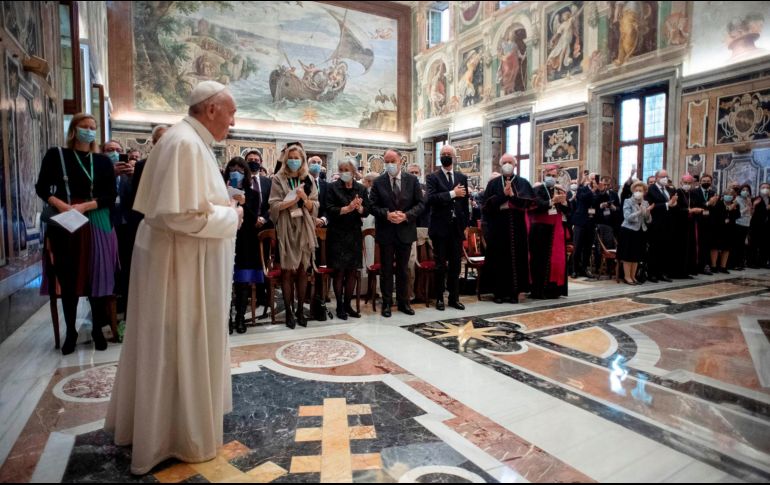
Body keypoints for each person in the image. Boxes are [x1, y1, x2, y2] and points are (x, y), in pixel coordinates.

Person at [106, 81, 243, 475]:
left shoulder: (187, 140)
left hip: (179, 261)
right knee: (179, 344)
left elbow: (188, 204)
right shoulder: (185, 143)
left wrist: (222, 204)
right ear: (212, 108)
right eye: (231, 113)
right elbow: (181, 216)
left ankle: (164, 427)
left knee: (172, 345)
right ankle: (176, 435)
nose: (233, 122)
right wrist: (230, 216)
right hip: (179, 268)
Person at [36, 113, 118, 355]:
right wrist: (63, 206)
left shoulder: (102, 161)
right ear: (74, 129)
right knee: (68, 275)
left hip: (95, 219)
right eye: (85, 127)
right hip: (66, 220)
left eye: (93, 127)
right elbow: (41, 187)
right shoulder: (56, 155)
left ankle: (96, 329)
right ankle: (70, 331)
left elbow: (110, 195)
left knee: (97, 275)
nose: (89, 131)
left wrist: (84, 207)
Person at [369, 149, 425, 317]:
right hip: (386, 231)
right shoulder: (379, 182)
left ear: (401, 161)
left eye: (392, 161)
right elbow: (372, 205)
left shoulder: (412, 180)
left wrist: (406, 215)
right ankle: (386, 303)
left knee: (404, 269)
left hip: (405, 230)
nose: (389, 165)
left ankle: (404, 302)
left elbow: (421, 204)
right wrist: (386, 214)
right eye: (387, 161)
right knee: (386, 269)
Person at [269, 144, 319, 328]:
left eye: (297, 158)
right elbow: (273, 206)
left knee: (302, 269)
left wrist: (304, 199)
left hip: (304, 227)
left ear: (302, 160)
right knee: (287, 270)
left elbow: (315, 206)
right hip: (286, 225)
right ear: (286, 160)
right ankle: (289, 311)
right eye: (291, 158)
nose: (294, 161)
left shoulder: (308, 179)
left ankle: (300, 310)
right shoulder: (277, 178)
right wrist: (290, 201)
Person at [482, 154, 535, 304]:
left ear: (515, 165)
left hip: (517, 227)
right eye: (504, 162)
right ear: (500, 165)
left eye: (509, 162)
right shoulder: (493, 184)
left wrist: (513, 196)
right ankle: (498, 293)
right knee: (498, 259)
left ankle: (514, 293)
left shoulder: (523, 182)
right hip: (498, 227)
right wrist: (503, 196)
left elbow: (529, 203)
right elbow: (486, 205)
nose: (507, 164)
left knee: (517, 259)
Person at [326, 159, 370, 320]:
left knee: (352, 271)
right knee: (339, 271)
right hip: (337, 233)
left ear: (353, 171)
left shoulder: (361, 188)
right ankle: (339, 306)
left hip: (354, 234)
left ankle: (348, 305)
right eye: (341, 169)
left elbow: (367, 211)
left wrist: (359, 208)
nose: (344, 172)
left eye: (347, 169)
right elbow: (329, 209)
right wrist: (348, 208)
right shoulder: (332, 187)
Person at [224, 157, 263, 335]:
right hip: (225, 240)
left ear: (245, 173)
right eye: (233, 168)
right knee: (225, 283)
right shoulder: (221, 191)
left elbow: (254, 219)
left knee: (242, 284)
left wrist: (244, 203)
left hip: (246, 242)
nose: (236, 172)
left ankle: (240, 318)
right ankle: (226, 319)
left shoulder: (253, 194)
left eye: (240, 169)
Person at [427, 145, 469, 310]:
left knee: (456, 265)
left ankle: (454, 297)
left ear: (454, 157)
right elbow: (431, 199)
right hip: (439, 227)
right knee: (440, 265)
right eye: (443, 154)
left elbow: (465, 204)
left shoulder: (461, 177)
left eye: (448, 154)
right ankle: (439, 298)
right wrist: (452, 193)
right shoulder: (433, 177)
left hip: (456, 228)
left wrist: (465, 224)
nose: (445, 156)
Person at [529, 164, 570, 299]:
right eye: (549, 175)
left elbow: (568, 210)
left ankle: (553, 290)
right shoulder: (537, 189)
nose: (551, 178)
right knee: (539, 260)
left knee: (556, 260)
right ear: (544, 175)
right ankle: (538, 290)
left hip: (555, 229)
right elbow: (536, 205)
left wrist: (564, 202)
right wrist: (552, 201)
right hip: (540, 228)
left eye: (554, 176)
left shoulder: (559, 190)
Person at [646, 169, 678, 282]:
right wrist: (667, 204)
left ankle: (662, 273)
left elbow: (670, 204)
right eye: (662, 176)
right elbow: (651, 206)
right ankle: (652, 274)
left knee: (665, 249)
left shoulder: (669, 189)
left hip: (667, 224)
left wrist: (673, 203)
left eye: (666, 176)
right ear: (657, 178)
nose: (665, 178)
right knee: (655, 249)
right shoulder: (651, 189)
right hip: (656, 224)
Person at [308, 156, 330, 321]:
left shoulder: (326, 185)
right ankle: (308, 295)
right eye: (313, 163)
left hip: (323, 229)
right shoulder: (302, 182)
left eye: (318, 163)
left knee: (322, 263)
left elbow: (329, 206)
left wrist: (323, 219)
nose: (316, 165)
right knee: (308, 264)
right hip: (306, 228)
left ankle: (320, 297)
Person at [618, 181, 653, 285]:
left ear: (644, 192)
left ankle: (633, 276)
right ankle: (627, 277)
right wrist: (639, 212)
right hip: (628, 231)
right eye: (636, 190)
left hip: (640, 231)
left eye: (640, 191)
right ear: (633, 191)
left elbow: (648, 220)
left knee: (637, 255)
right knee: (628, 255)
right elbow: (627, 217)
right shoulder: (628, 201)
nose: (638, 192)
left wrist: (647, 213)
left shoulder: (646, 203)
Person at [670, 174, 700, 278]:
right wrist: (689, 210)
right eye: (685, 183)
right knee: (679, 248)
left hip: (690, 224)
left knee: (689, 248)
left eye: (689, 183)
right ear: (681, 182)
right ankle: (677, 272)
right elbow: (675, 209)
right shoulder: (676, 192)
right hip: (678, 225)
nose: (687, 185)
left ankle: (686, 271)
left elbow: (696, 205)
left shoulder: (692, 194)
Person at [572, 172, 600, 279]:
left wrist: (597, 191)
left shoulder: (598, 191)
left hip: (591, 222)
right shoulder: (582, 188)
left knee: (588, 248)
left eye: (595, 178)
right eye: (592, 178)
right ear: (588, 179)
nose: (594, 180)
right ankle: (575, 270)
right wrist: (592, 191)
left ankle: (585, 268)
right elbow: (581, 198)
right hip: (580, 222)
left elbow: (597, 203)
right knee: (578, 247)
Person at [708, 187, 740, 273]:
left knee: (727, 248)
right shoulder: (718, 203)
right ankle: (714, 266)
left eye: (731, 195)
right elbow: (716, 214)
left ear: (733, 196)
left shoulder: (735, 205)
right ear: (723, 195)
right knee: (715, 247)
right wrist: (729, 209)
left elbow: (737, 215)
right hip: (717, 228)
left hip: (729, 228)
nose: (728, 196)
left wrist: (733, 210)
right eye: (726, 194)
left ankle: (723, 266)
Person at [691, 174, 718, 274]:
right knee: (698, 244)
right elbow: (694, 205)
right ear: (700, 181)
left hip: (709, 222)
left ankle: (706, 265)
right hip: (697, 221)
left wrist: (714, 204)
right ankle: (697, 266)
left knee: (707, 244)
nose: (706, 182)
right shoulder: (694, 192)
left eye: (708, 181)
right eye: (704, 180)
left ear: (711, 182)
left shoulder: (713, 193)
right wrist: (707, 203)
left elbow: (715, 208)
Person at [731, 184, 752, 270]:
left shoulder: (748, 199)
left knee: (742, 245)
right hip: (738, 223)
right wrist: (746, 208)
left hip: (746, 224)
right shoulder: (737, 199)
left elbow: (750, 212)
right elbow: (737, 212)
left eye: (747, 190)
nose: (745, 191)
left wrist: (750, 208)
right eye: (743, 189)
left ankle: (740, 263)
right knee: (736, 244)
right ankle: (734, 263)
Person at [749, 183, 770, 268]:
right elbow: (750, 213)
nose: (766, 189)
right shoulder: (755, 199)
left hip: (767, 226)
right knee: (754, 244)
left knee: (765, 245)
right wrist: (755, 205)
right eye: (763, 187)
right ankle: (752, 262)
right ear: (759, 189)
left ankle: (763, 262)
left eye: (768, 188)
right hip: (756, 225)